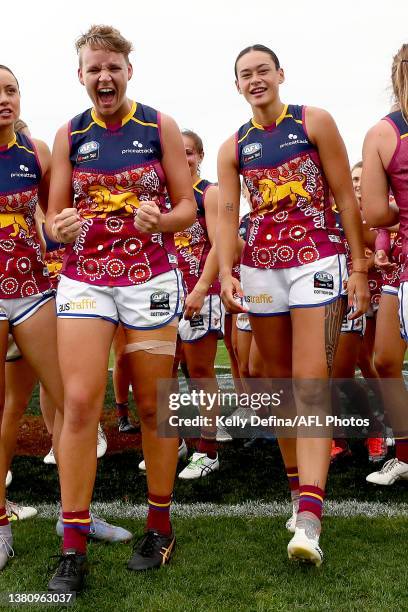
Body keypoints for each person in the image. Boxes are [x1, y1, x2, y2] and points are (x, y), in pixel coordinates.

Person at [45, 26, 195, 592]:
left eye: (112, 67)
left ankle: (160, 525)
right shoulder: (69, 133)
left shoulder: (159, 125)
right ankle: (72, 542)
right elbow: (54, 218)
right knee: (81, 402)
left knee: (155, 405)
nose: (103, 77)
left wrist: (165, 220)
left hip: (150, 280)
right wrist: (55, 226)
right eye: (92, 69)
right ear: (80, 75)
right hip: (85, 281)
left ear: (129, 70)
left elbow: (186, 207)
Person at [216, 44, 369, 566]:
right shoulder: (233, 146)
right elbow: (228, 218)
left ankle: (309, 517)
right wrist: (225, 272)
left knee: (309, 383)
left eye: (263, 71)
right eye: (245, 75)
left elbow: (347, 198)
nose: (255, 80)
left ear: (280, 74)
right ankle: (297, 493)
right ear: (236, 86)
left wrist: (361, 269)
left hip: (317, 262)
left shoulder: (313, 121)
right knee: (279, 386)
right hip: (261, 269)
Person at [0, 66, 65, 570]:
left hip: (35, 291)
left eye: (11, 90)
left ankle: (74, 515)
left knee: (65, 400)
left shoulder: (35, 153)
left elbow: (53, 218)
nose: (4, 99)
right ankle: (0, 523)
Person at [362, 43, 408, 484]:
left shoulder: (383, 133)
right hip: (402, 268)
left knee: (386, 361)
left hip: (405, 258)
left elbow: (374, 212)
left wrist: (401, 212)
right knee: (384, 358)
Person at [175, 130, 226, 479]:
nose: (183, 158)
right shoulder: (166, 196)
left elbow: (221, 244)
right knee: (168, 371)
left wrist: (201, 288)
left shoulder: (209, 193)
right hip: (166, 296)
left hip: (200, 294)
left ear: (200, 155)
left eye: (188, 152)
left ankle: (208, 451)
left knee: (200, 371)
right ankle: (177, 442)